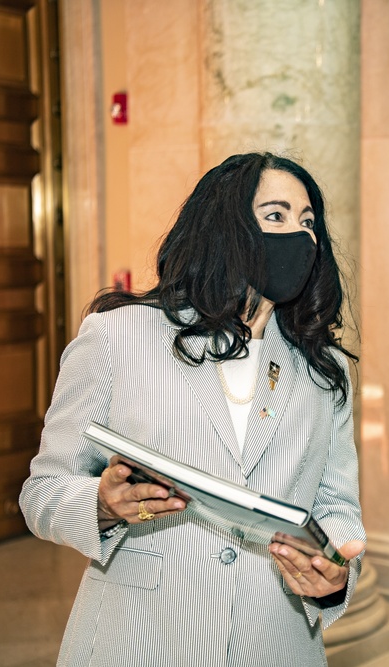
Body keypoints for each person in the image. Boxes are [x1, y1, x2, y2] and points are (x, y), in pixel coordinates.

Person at [20, 153, 366, 666]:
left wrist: (334, 576)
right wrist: (100, 501)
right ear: (224, 229)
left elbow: (338, 509)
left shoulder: (324, 368)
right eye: (276, 216)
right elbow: (42, 492)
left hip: (274, 643)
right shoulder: (119, 338)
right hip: (140, 639)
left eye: (308, 222)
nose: (300, 235)